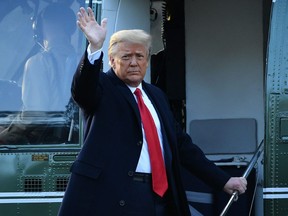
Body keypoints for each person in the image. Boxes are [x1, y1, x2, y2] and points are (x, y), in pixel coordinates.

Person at [58, 7, 247, 216]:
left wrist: (223, 180)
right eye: (126, 56)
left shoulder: (156, 95)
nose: (133, 62)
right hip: (119, 195)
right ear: (112, 60)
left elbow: (182, 146)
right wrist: (95, 47)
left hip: (161, 196)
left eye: (139, 56)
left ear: (147, 61)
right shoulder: (103, 87)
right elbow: (82, 91)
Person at [0, 3, 79, 144]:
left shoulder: (38, 62)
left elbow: (35, 115)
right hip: (67, 138)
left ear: (40, 27)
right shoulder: (80, 62)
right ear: (72, 29)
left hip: (41, 141)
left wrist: (6, 134)